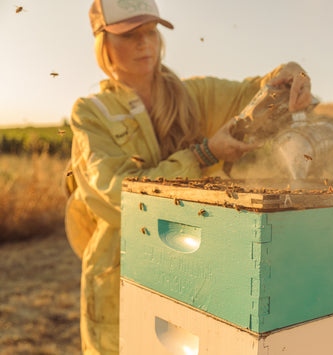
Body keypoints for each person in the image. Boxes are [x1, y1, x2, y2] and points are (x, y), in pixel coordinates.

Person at [64, 0, 312, 353]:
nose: (143, 43)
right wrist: (204, 155)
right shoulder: (91, 113)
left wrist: (289, 74)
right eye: (129, 34)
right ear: (103, 44)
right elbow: (121, 197)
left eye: (150, 31)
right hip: (119, 270)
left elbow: (253, 92)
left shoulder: (193, 94)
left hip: (193, 266)